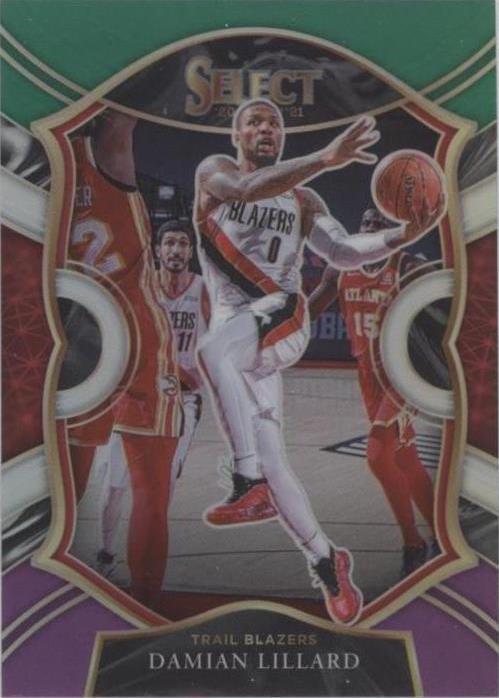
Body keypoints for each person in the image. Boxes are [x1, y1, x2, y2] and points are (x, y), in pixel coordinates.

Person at [194, 98, 441, 624]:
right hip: (241, 336)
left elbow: (345, 252)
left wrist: (403, 234)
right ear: (237, 134)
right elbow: (244, 190)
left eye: (275, 123)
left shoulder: (304, 200)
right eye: (256, 121)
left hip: (282, 315)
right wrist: (326, 158)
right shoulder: (214, 173)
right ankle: (328, 562)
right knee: (275, 460)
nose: (267, 128)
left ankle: (246, 483)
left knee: (212, 351)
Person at [66, 110, 183, 610]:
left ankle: (42, 589)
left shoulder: (26, 177)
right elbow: (121, 115)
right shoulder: (103, 152)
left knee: (64, 495)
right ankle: (146, 606)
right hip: (135, 340)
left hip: (77, 347)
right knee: (150, 494)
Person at [309, 206, 437, 577]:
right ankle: (444, 536)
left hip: (403, 374)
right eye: (365, 222)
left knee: (378, 455)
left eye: (379, 224)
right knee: (406, 459)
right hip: (369, 375)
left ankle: (413, 543)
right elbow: (311, 309)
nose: (370, 228)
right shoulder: (341, 267)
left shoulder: (408, 267)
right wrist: (277, 334)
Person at [95, 218, 209, 578]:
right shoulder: (142, 288)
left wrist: (200, 373)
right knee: (114, 484)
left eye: (182, 243)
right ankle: (106, 553)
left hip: (182, 402)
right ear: (158, 249)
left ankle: (145, 558)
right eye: (169, 243)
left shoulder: (203, 291)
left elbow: (217, 346)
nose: (176, 250)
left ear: (191, 251)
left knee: (163, 488)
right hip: (138, 397)